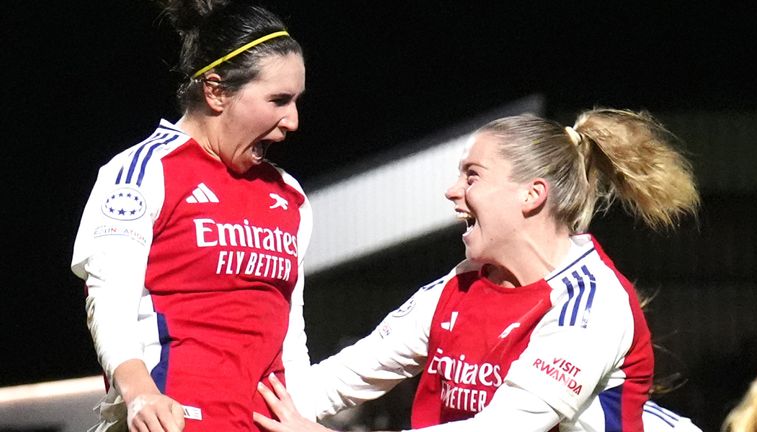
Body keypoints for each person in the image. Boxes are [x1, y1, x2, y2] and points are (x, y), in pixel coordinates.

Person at [252, 108, 700, 431]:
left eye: (472, 176)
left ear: (532, 195)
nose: (451, 191)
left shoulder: (590, 303)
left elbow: (504, 427)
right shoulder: (461, 286)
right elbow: (343, 377)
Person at [71, 1, 309, 431]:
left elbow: (292, 337)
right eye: (278, 100)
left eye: (295, 101)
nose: (292, 120)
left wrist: (306, 416)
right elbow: (108, 298)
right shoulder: (143, 171)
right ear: (216, 91)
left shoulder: (288, 195)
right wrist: (139, 392)